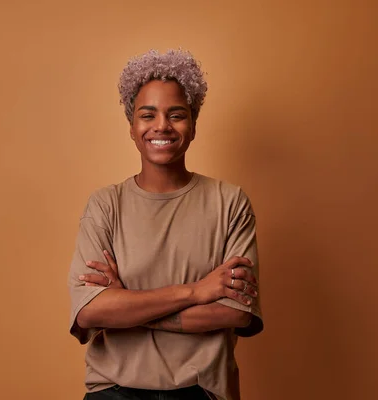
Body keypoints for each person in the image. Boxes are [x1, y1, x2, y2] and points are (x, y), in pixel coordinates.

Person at [68, 49, 263, 400]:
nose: (162, 126)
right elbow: (89, 311)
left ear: (193, 126)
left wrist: (125, 307)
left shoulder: (229, 203)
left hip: (200, 393)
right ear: (132, 127)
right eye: (148, 115)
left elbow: (235, 314)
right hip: (113, 392)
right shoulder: (105, 206)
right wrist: (195, 291)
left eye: (176, 114)